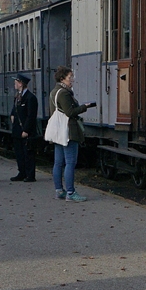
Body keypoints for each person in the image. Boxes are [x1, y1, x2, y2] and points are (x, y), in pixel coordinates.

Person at [49, 66, 95, 202]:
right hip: (68, 130)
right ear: (62, 78)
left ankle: (59, 190)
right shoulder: (63, 93)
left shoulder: (54, 91)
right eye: (70, 77)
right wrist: (84, 107)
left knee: (58, 162)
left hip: (58, 130)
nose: (72, 80)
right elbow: (70, 112)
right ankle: (70, 192)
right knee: (70, 162)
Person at [9, 74, 38, 182]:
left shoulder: (30, 98)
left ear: (21, 83)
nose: (14, 84)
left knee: (28, 153)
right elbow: (14, 109)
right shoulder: (17, 96)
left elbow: (31, 116)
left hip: (26, 131)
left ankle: (30, 175)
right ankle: (22, 172)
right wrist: (12, 116)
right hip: (17, 130)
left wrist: (26, 130)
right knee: (19, 153)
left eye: (16, 82)